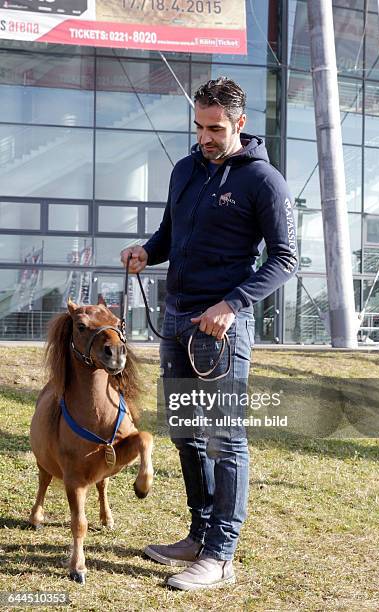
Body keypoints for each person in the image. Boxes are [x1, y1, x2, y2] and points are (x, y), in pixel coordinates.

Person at [121, 77, 297, 591]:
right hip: (175, 321)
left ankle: (220, 556)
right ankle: (198, 534)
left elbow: (285, 259)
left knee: (225, 440)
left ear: (240, 123)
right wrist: (145, 253)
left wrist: (232, 303)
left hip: (221, 330)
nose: (205, 137)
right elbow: (169, 236)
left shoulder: (263, 181)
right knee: (185, 432)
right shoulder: (185, 169)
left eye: (215, 128)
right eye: (199, 127)